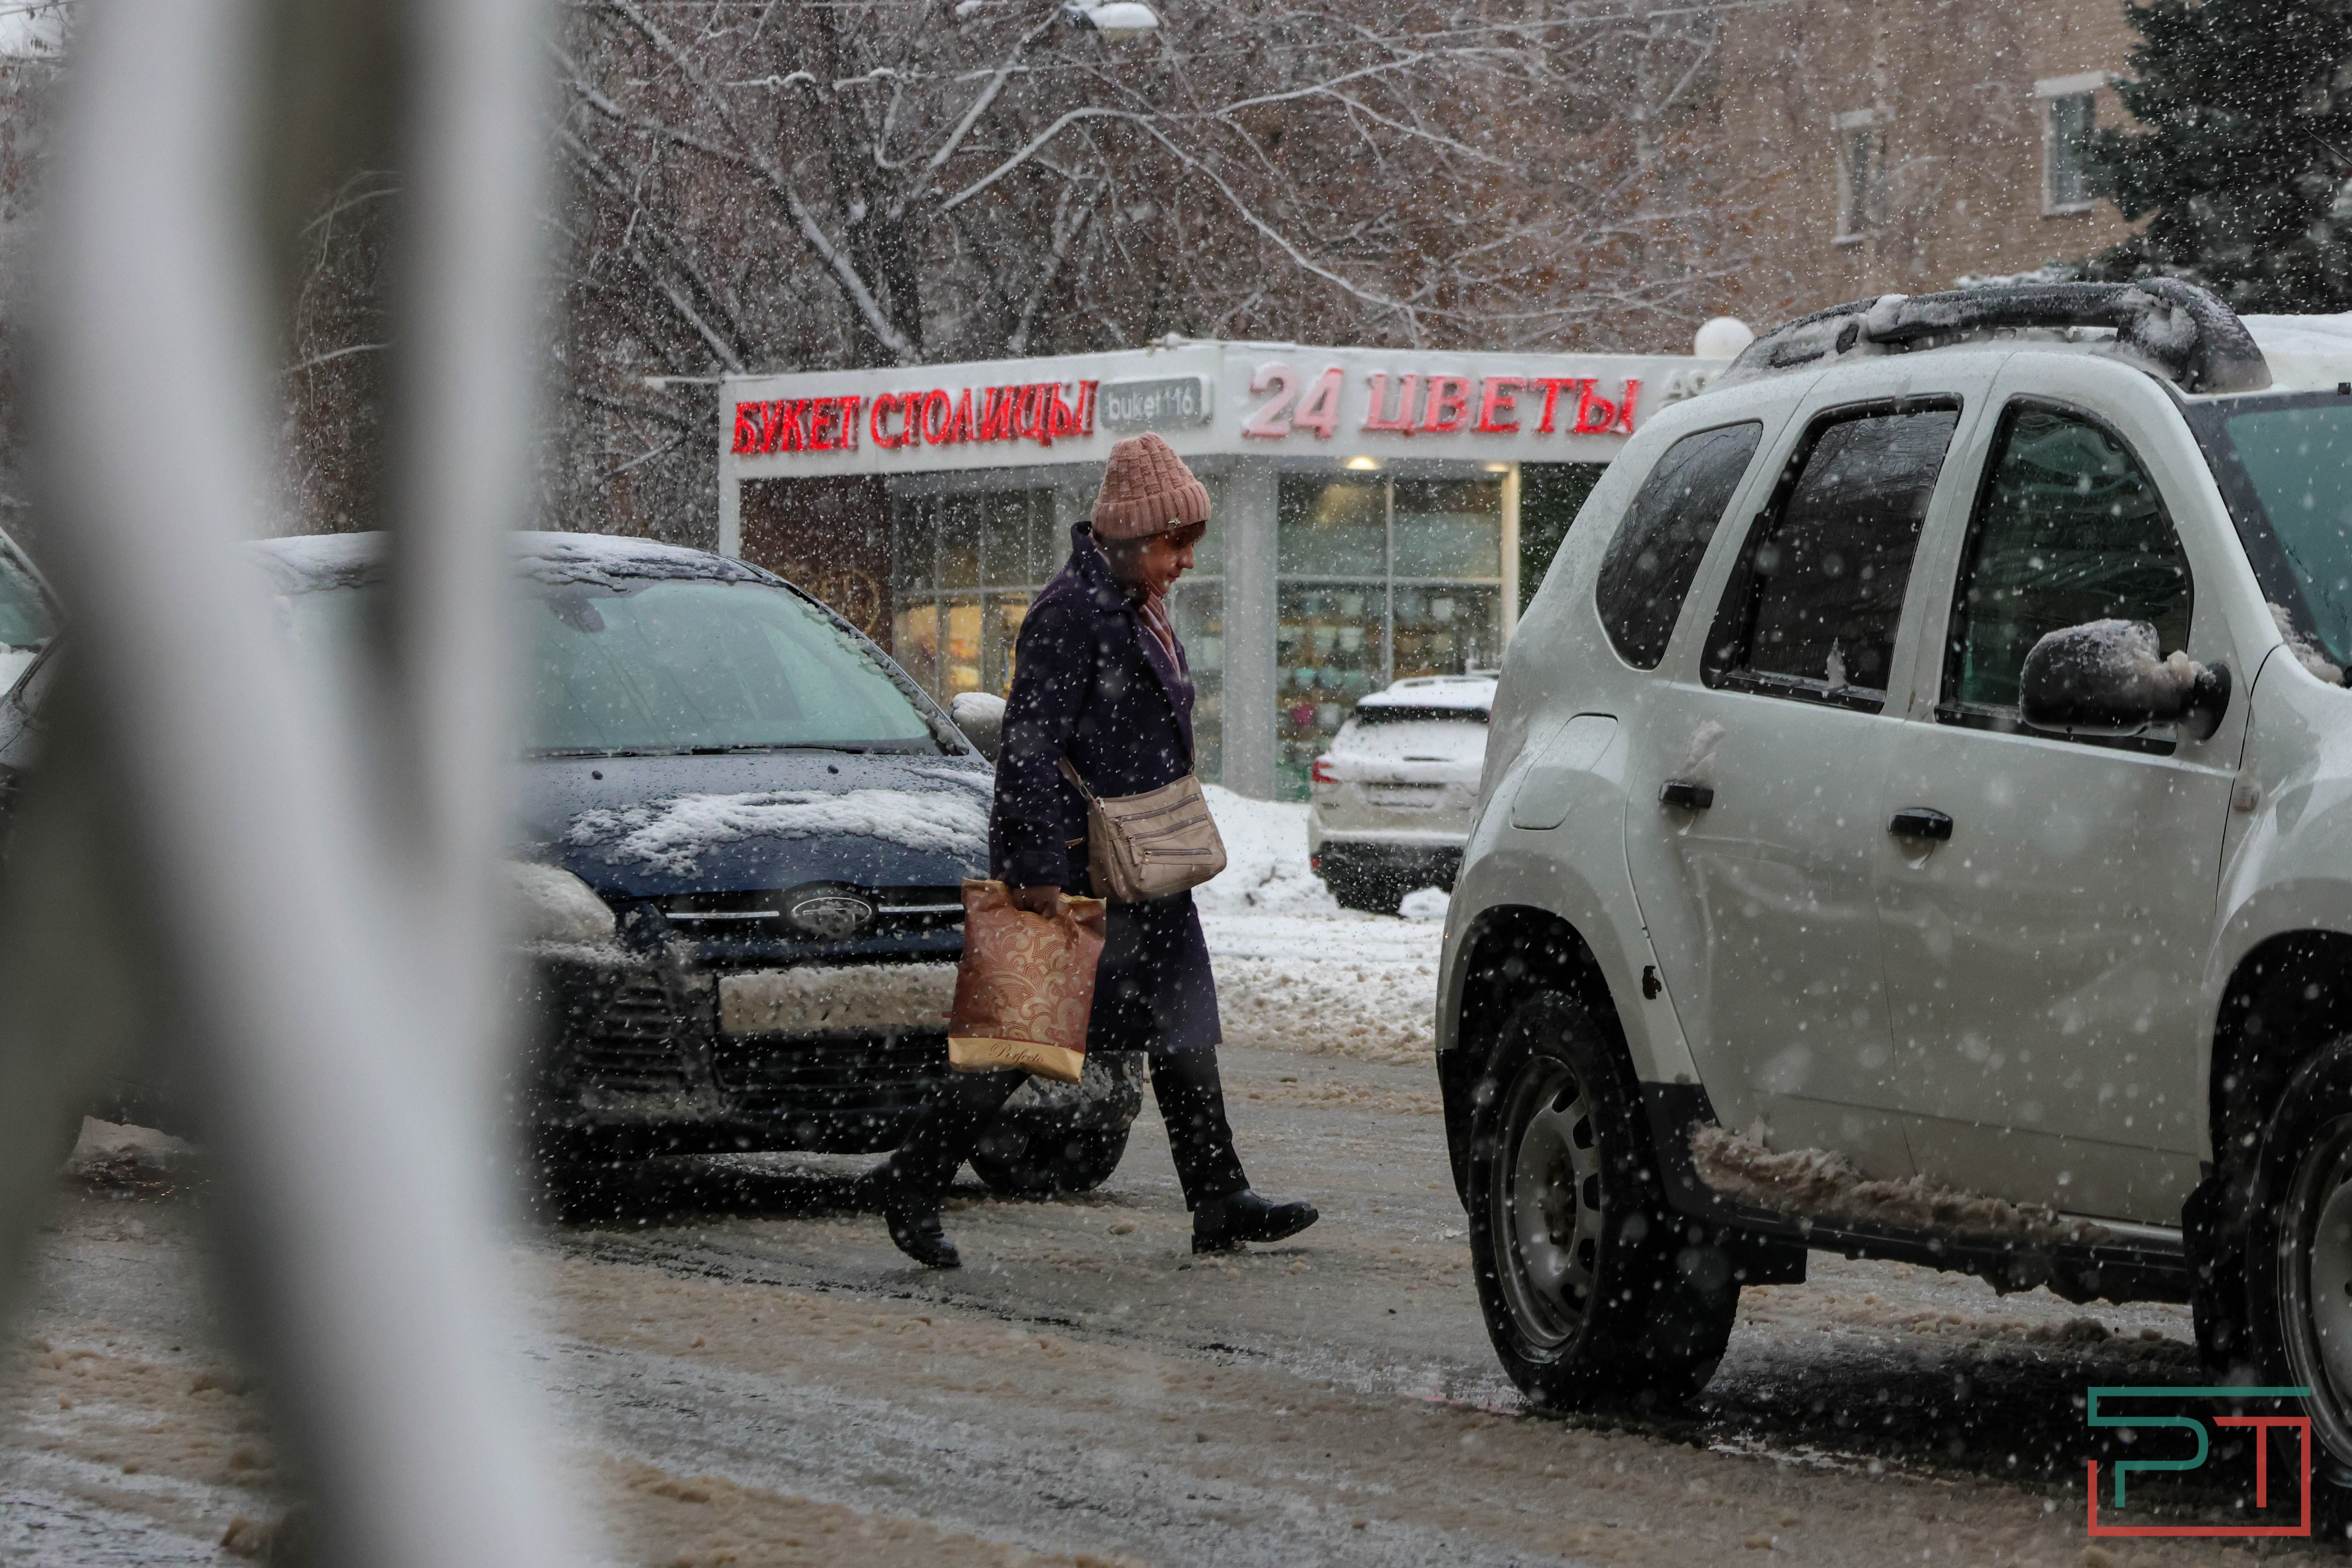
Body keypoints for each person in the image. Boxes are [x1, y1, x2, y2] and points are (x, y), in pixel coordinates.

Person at [875, 433, 1319, 1269]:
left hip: (1143, 863)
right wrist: (1035, 869)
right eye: (1174, 543)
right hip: (1083, 868)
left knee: (1183, 1032)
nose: (1187, 560)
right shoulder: (1069, 614)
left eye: (1192, 542)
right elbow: (1029, 749)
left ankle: (1218, 1195)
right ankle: (913, 1177)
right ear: (1129, 534)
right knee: (1020, 1035)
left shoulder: (1135, 605)